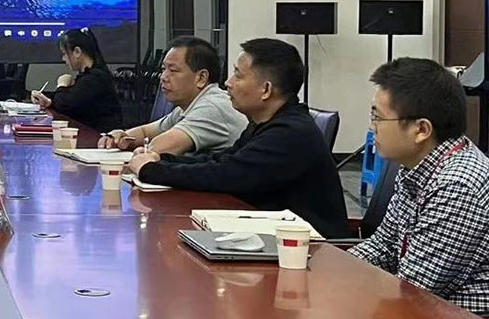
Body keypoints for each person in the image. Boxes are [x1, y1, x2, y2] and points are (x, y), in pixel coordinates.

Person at [127, 38, 350, 238]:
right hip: (270, 237)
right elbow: (223, 160)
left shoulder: (290, 133)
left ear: (266, 89)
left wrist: (152, 170)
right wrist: (163, 161)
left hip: (310, 252)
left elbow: (226, 175)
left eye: (238, 75)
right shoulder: (264, 123)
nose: (228, 82)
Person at [349, 58, 489, 312]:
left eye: (378, 118)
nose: (372, 128)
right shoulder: (417, 167)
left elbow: (412, 290)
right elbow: (383, 247)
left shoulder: (457, 187)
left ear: (421, 129)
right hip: (434, 312)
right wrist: (329, 272)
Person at [99, 37, 246, 154]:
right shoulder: (187, 107)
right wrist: (121, 136)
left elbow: (160, 147)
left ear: (201, 78)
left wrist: (141, 149)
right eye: (163, 69)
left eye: (173, 70)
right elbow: (146, 132)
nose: (163, 77)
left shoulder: (212, 107)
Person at [30, 28, 121, 133]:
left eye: (64, 53)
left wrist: (62, 85)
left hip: (99, 137)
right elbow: (70, 101)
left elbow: (66, 105)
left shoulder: (95, 78)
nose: (63, 59)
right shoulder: (89, 76)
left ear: (77, 52)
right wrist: (49, 102)